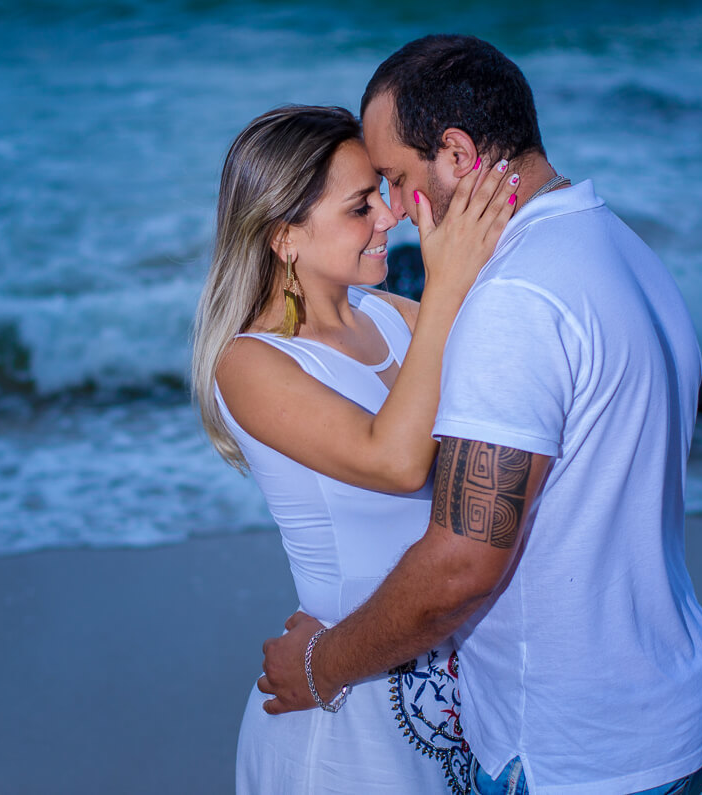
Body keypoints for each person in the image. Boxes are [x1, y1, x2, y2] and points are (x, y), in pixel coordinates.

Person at [257, 35, 702, 795]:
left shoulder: (514, 298)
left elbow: (460, 567)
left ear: (456, 154)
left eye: (396, 179)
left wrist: (320, 666)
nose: (396, 212)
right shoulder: (617, 244)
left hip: (569, 751)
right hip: (670, 709)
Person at [192, 104, 516, 793]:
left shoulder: (393, 317)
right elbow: (396, 461)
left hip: (454, 697)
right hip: (339, 716)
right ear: (285, 237)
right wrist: (446, 285)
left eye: (382, 193)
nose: (389, 217)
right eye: (360, 206)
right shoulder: (250, 363)